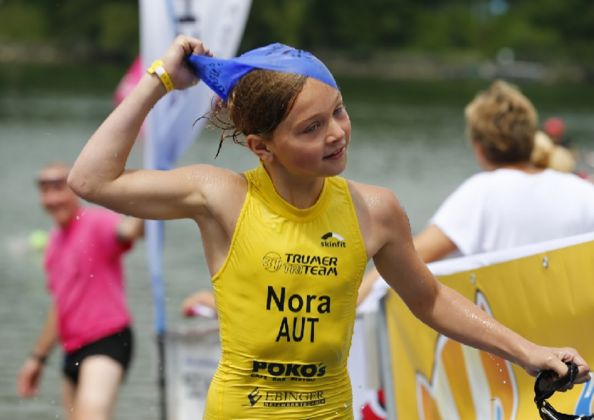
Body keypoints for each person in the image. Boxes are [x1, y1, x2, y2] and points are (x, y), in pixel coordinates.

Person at [66, 37, 590, 419]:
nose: (336, 133)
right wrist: (160, 80)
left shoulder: (375, 210)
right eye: (311, 128)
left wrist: (528, 352)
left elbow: (429, 299)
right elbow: (90, 179)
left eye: (338, 111)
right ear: (263, 147)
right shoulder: (222, 197)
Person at [358, 80, 594, 305]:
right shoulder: (583, 191)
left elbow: (404, 261)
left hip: (507, 327)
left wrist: (354, 301)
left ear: (479, 148)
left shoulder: (481, 193)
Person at [17, 162, 144, 420]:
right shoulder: (53, 244)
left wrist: (142, 202)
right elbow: (61, 305)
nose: (52, 199)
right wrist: (38, 357)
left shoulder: (95, 222)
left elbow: (129, 230)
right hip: (72, 349)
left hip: (107, 339)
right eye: (45, 190)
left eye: (59, 188)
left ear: (75, 189)